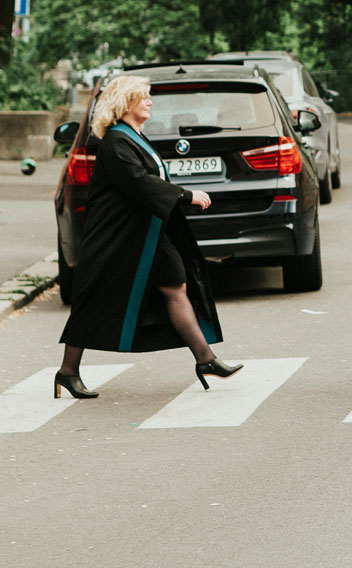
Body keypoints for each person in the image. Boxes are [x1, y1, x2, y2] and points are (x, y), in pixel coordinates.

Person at [56, 76, 242, 399]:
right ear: (126, 103)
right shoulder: (115, 142)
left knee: (175, 284)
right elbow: (139, 183)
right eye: (144, 97)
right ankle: (67, 372)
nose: (150, 102)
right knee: (92, 300)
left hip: (145, 234)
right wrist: (186, 195)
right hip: (115, 237)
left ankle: (205, 359)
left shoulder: (134, 136)